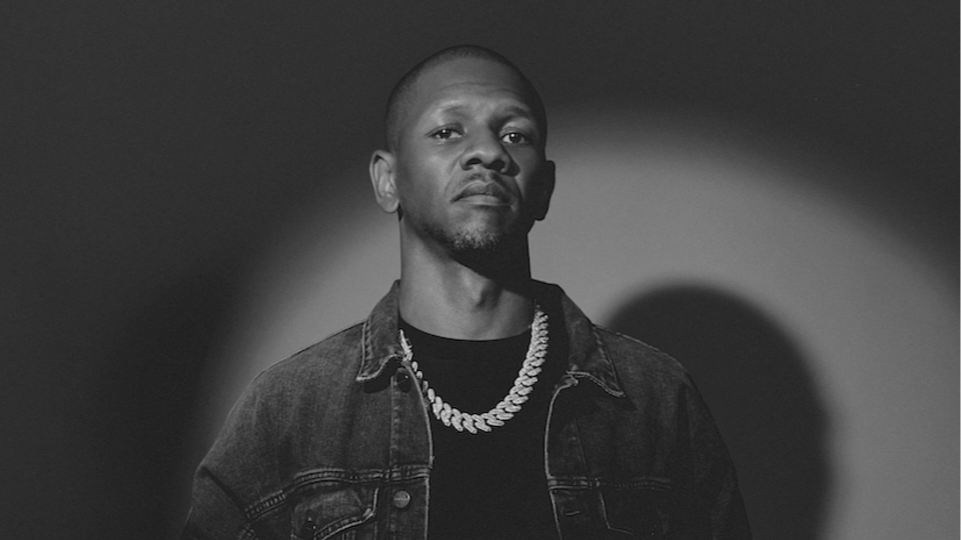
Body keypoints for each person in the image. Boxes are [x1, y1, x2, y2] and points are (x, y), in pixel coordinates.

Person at [183, 45, 752, 540]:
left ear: (544, 188)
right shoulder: (290, 409)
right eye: (447, 130)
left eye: (514, 134)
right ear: (388, 180)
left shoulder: (653, 397)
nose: (490, 153)